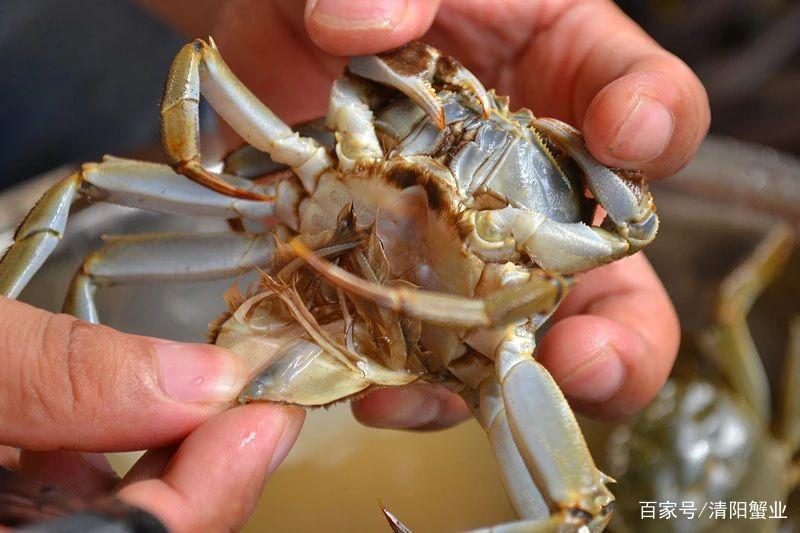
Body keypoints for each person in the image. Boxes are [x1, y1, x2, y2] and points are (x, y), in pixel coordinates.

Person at [0, 1, 708, 530]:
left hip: (477, 327)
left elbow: (570, 503)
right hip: (282, 213)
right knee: (88, 226)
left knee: (574, 509)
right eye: (456, 114)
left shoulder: (528, 296)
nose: (469, 144)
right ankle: (74, 452)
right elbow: (199, 67)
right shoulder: (333, 145)